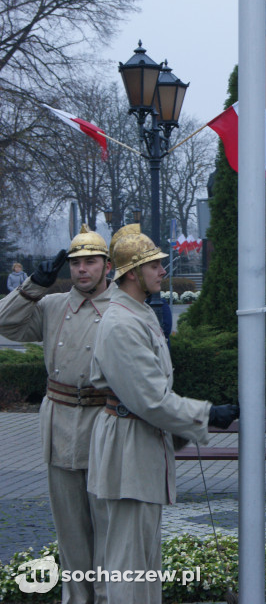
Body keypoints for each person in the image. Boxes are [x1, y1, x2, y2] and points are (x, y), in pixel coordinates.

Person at [87, 226, 239, 604]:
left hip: (139, 442)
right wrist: (206, 414)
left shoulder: (137, 312)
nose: (161, 271)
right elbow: (151, 399)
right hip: (128, 445)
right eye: (153, 265)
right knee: (129, 563)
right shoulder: (122, 323)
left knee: (143, 560)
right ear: (133, 273)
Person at [0, 226, 114, 604]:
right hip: (61, 424)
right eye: (76, 263)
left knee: (108, 526)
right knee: (69, 530)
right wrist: (35, 286)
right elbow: (5, 322)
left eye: (90, 262)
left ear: (107, 266)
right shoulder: (52, 306)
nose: (82, 269)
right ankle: (77, 599)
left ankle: (107, 596)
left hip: (106, 424)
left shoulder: (125, 308)